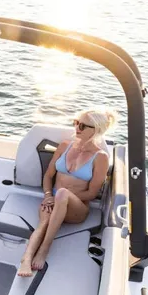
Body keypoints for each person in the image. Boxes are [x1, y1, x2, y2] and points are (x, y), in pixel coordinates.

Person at [17, 108, 117, 277]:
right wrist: (48, 195)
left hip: (76, 209)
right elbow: (49, 175)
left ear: (97, 130)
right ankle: (25, 260)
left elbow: (92, 193)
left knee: (62, 193)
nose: (77, 128)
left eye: (84, 126)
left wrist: (58, 198)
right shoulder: (65, 146)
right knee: (43, 224)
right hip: (53, 199)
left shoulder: (101, 157)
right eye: (76, 123)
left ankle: (44, 249)